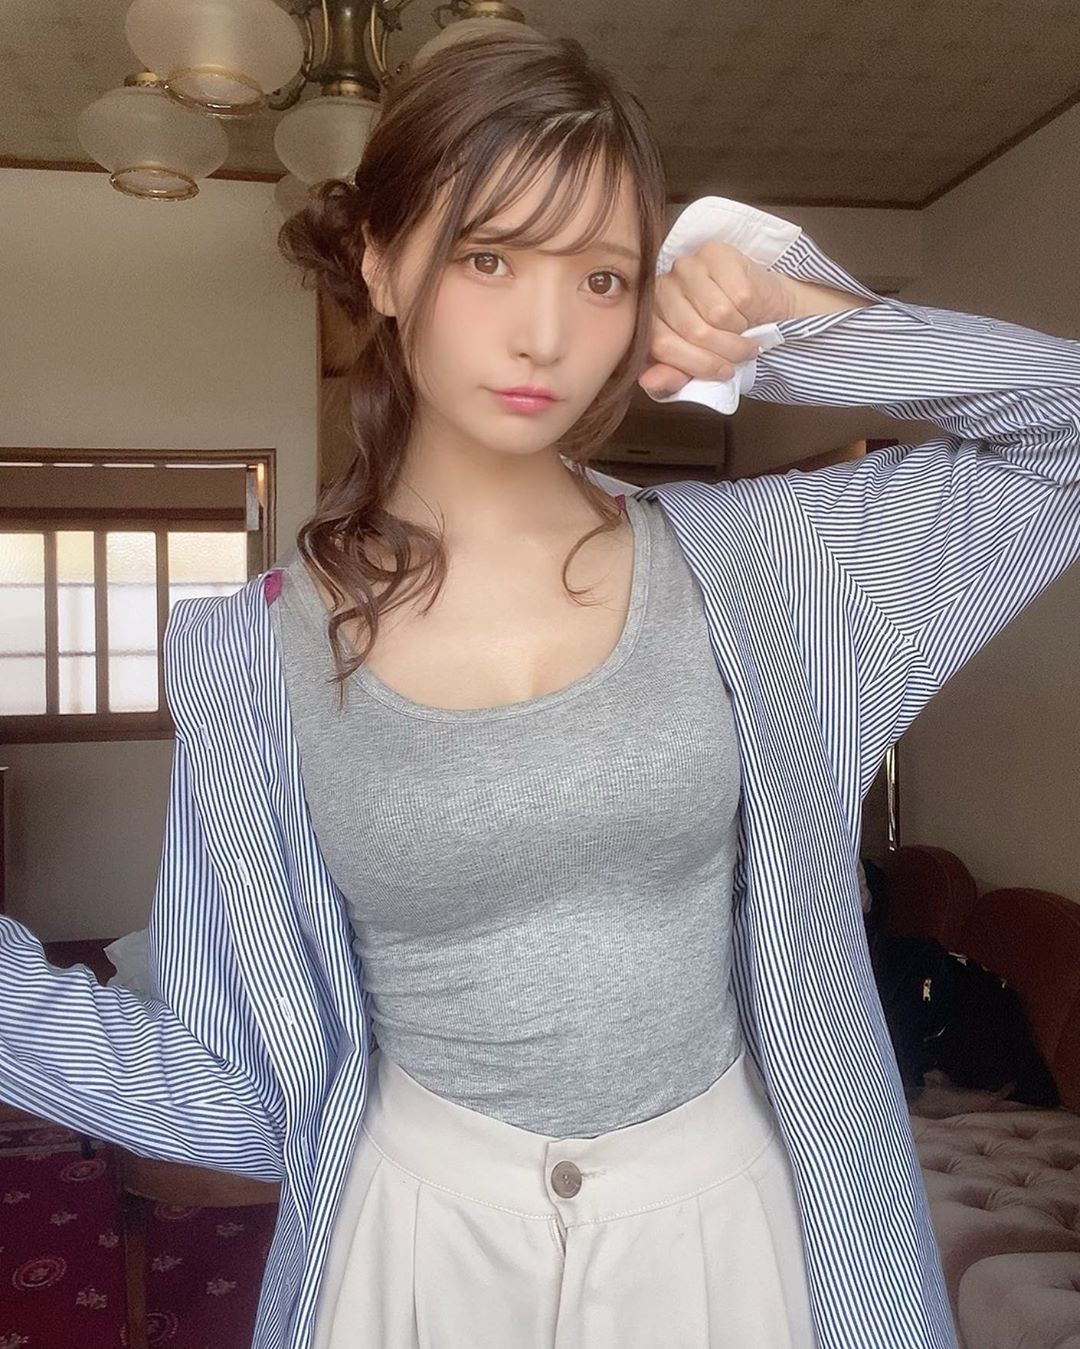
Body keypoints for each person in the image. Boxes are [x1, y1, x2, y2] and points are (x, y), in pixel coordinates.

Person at [1, 27, 1077, 1349]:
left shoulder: (770, 569)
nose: (549, 333)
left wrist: (805, 327)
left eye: (603, 275)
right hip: (418, 1247)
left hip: (720, 1234)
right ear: (381, 261)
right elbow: (233, 1090)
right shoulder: (252, 657)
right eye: (488, 256)